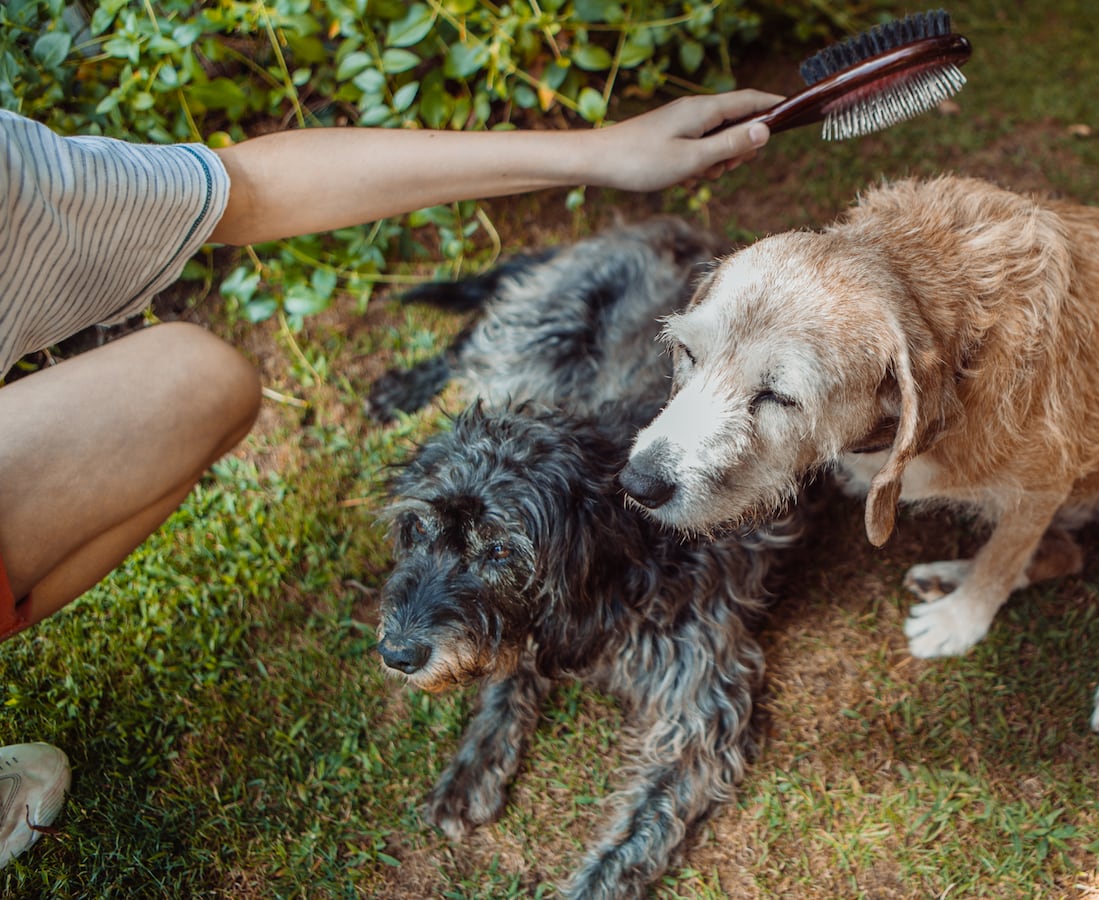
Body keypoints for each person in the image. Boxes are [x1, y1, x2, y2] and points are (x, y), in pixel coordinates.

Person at [0, 88, 782, 868]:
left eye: (499, 552)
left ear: (585, 552)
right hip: (609, 304)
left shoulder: (682, 569)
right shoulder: (546, 533)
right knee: (509, 383)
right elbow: (534, 604)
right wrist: (499, 708)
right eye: (417, 532)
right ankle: (449, 360)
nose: (399, 630)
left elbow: (705, 742)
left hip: (647, 279)